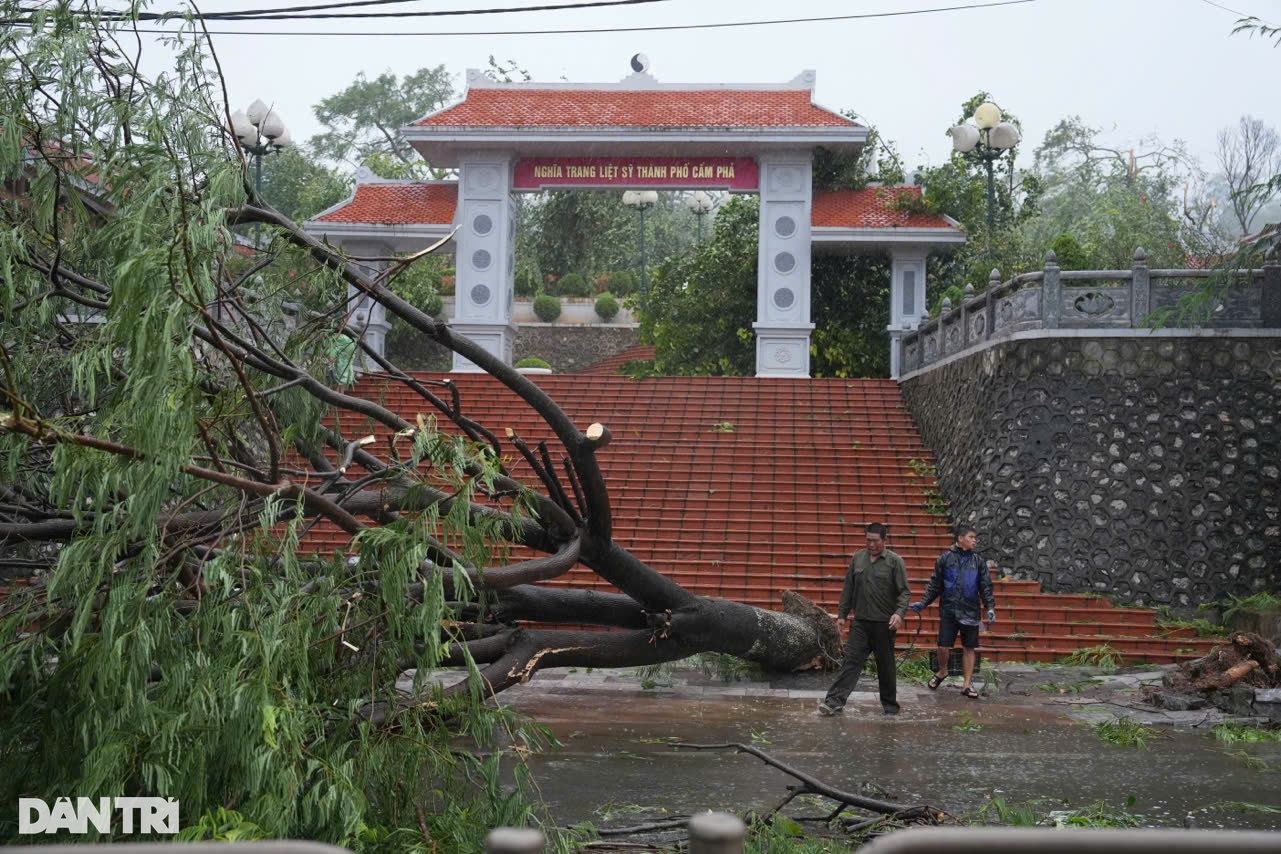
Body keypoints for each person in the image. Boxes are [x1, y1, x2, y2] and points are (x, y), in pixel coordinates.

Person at [818, 522, 911, 716]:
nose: (871, 545)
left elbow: (904, 593)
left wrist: (899, 613)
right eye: (868, 540)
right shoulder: (858, 558)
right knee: (850, 662)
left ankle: (890, 707)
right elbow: (848, 589)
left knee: (885, 666)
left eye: (875, 541)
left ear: (884, 540)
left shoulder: (895, 562)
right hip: (860, 622)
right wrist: (842, 615)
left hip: (884, 623)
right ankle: (833, 701)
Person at [909, 524, 996, 699]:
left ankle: (966, 684)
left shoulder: (978, 562)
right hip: (949, 609)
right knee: (942, 646)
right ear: (960, 538)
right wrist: (924, 602)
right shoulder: (945, 559)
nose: (974, 540)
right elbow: (935, 585)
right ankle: (942, 671)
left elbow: (985, 586)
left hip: (970, 611)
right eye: (971, 537)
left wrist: (990, 607)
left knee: (969, 647)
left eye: (974, 537)